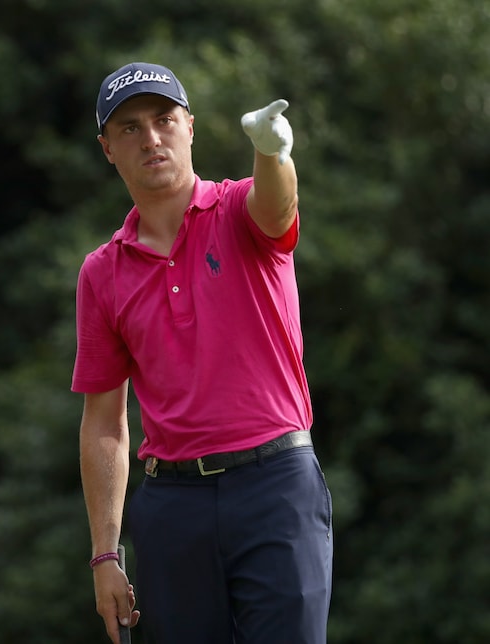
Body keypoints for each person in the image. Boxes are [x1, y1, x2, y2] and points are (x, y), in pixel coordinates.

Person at [73, 62, 332, 643]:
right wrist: (105, 555)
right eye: (130, 128)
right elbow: (105, 425)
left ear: (190, 127)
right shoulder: (102, 272)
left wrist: (272, 152)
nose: (151, 137)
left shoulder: (240, 208)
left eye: (164, 120)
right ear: (107, 149)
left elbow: (279, 207)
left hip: (275, 484)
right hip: (173, 503)